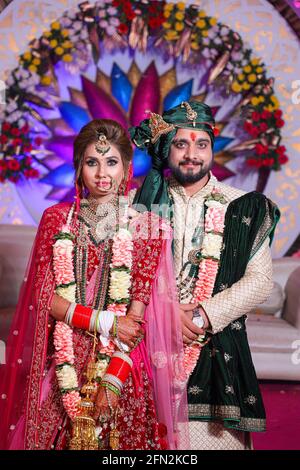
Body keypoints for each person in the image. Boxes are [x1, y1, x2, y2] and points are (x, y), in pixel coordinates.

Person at [0, 119, 188, 450]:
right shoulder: (57, 219)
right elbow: (45, 300)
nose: (103, 173)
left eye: (111, 162)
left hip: (122, 362)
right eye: (92, 162)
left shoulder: (149, 226)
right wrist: (106, 321)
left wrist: (113, 380)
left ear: (127, 167)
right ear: (78, 168)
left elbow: (137, 320)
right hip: (62, 361)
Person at [129, 101, 280, 450]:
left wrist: (201, 316)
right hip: (149, 346)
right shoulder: (141, 202)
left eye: (201, 144)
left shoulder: (244, 205)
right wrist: (163, 316)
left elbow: (260, 282)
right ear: (167, 149)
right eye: (181, 144)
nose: (191, 154)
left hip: (216, 349)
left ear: (212, 148)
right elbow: (123, 275)